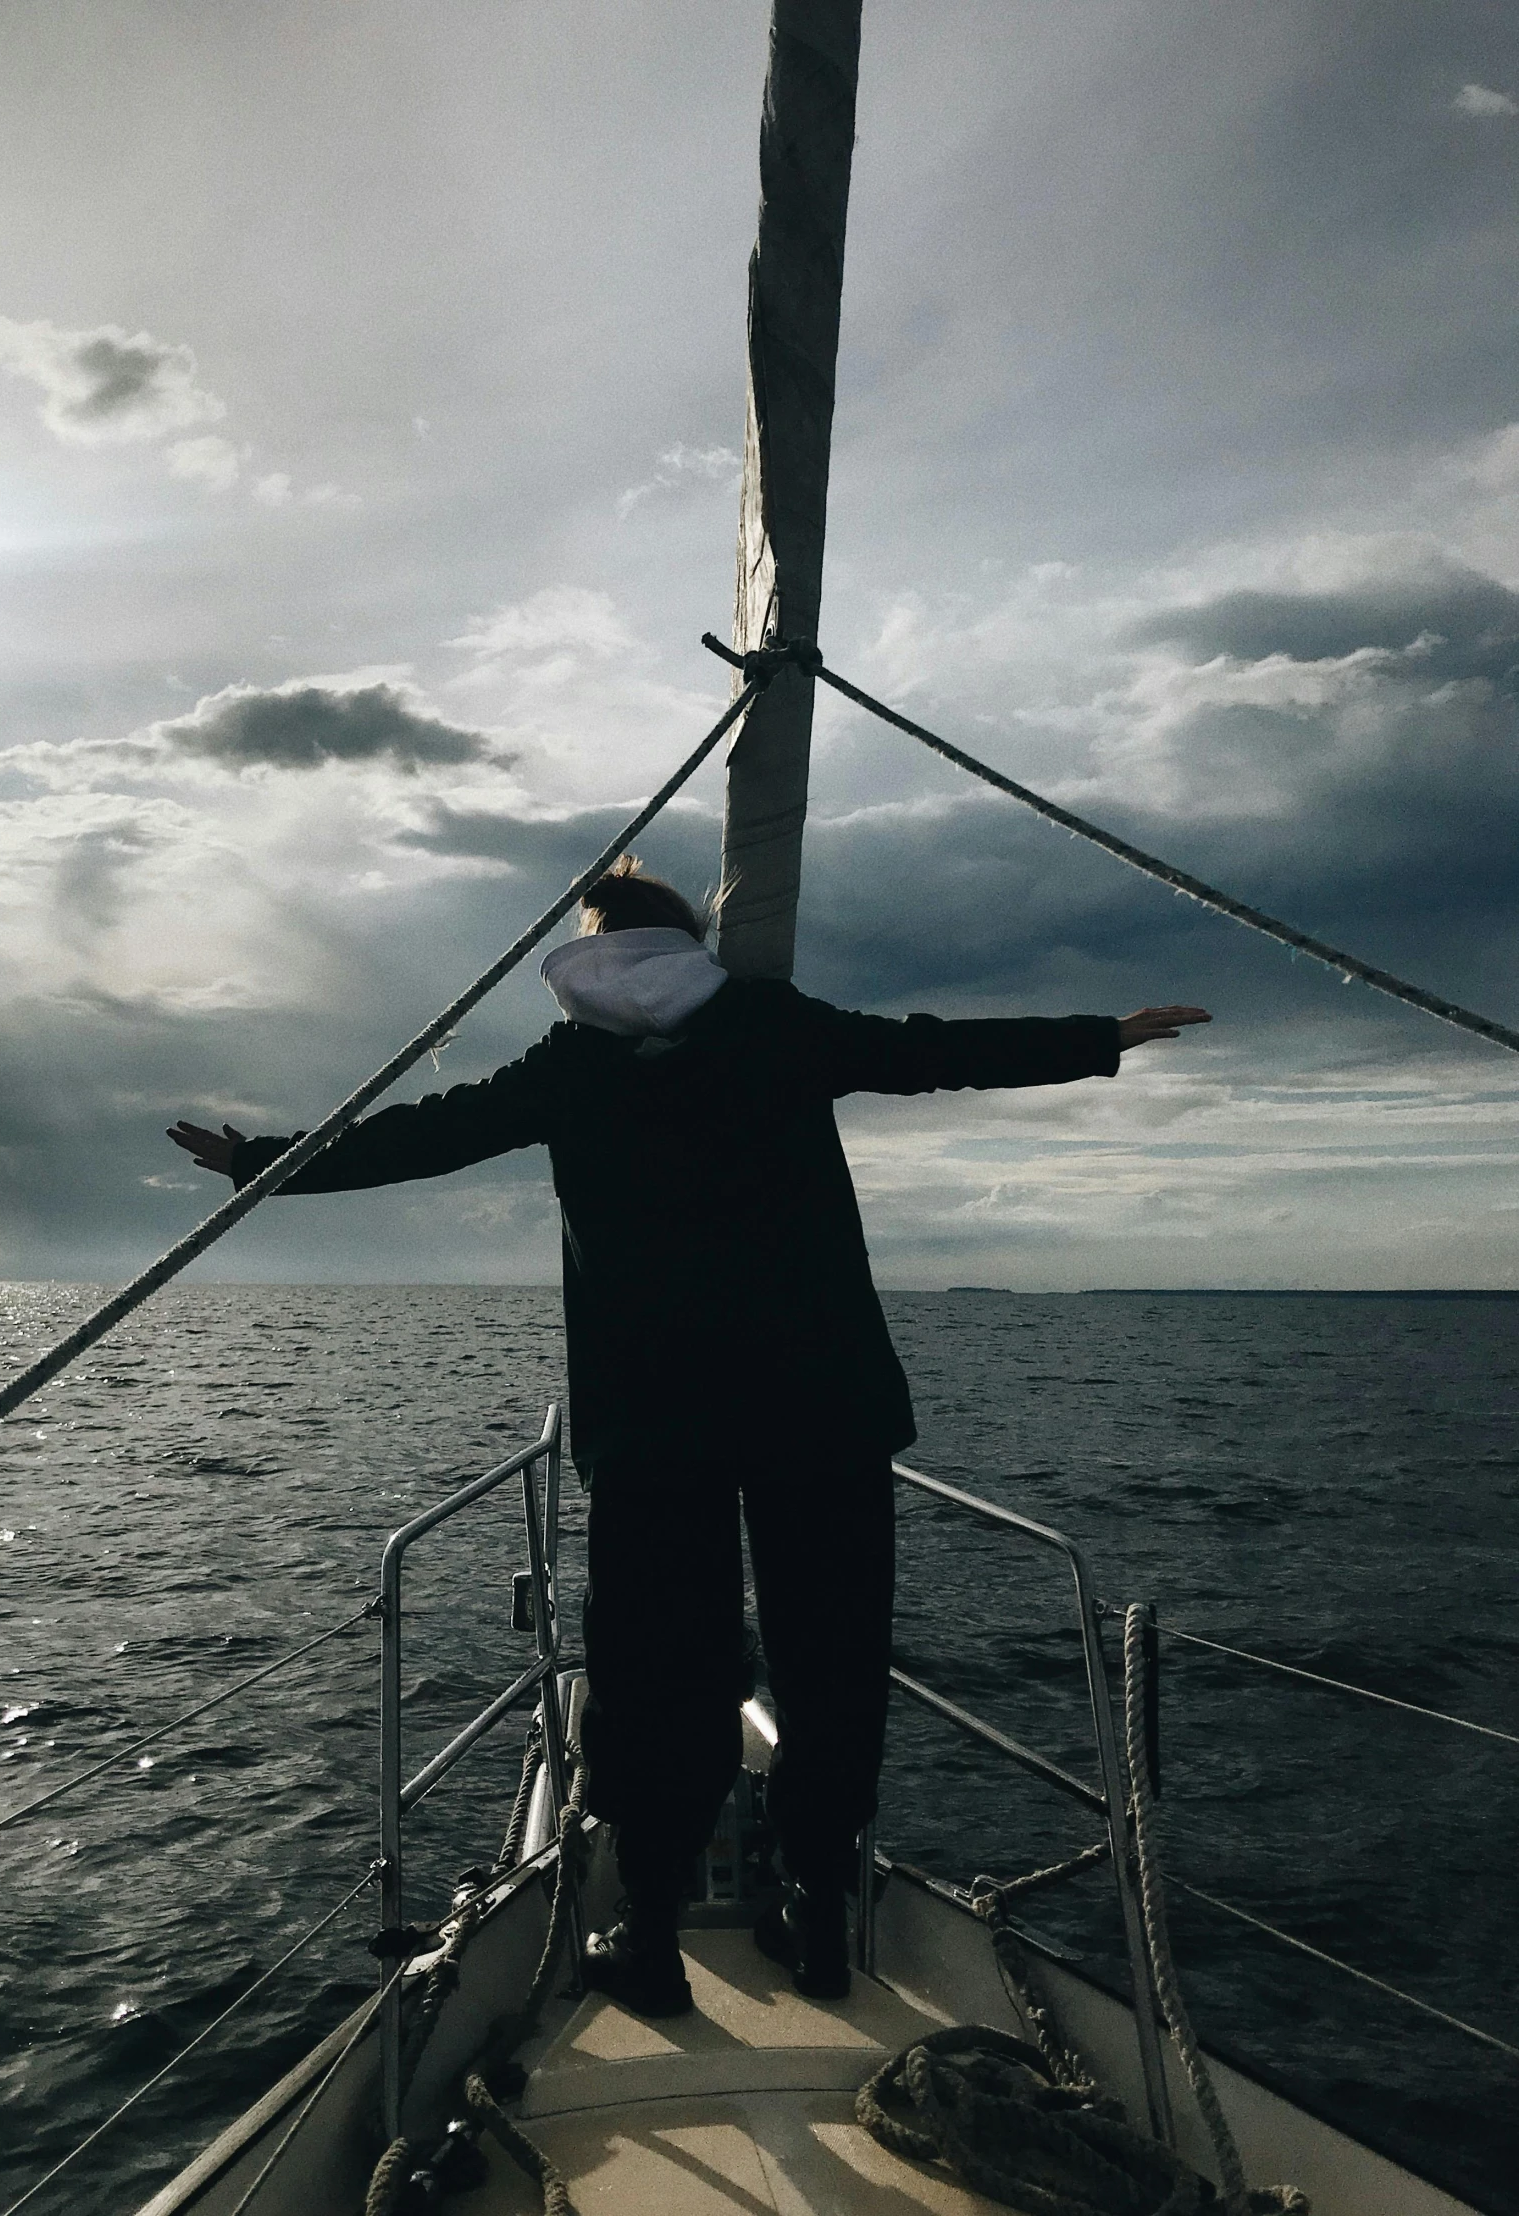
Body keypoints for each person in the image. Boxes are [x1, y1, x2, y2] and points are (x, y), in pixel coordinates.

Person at [169, 858, 1209, 2017]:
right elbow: (927, 1053)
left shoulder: (568, 1067)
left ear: (588, 949)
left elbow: (420, 1136)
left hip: (657, 1421)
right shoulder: (773, 1024)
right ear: (685, 939)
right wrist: (1099, 1034)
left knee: (658, 1671)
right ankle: (818, 1918)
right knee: (830, 1662)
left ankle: (652, 1931)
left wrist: (261, 1161)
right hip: (822, 1405)